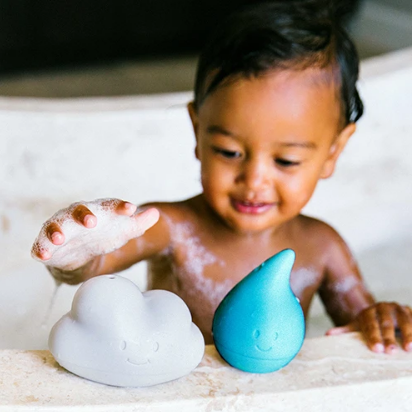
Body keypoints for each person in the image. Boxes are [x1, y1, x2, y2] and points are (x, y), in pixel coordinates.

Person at [31, 1, 412, 352]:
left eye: (286, 160)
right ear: (198, 131)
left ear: (333, 151)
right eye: (229, 152)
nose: (254, 179)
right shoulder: (171, 228)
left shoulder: (323, 248)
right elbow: (95, 266)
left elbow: (361, 324)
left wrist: (381, 319)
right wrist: (76, 254)